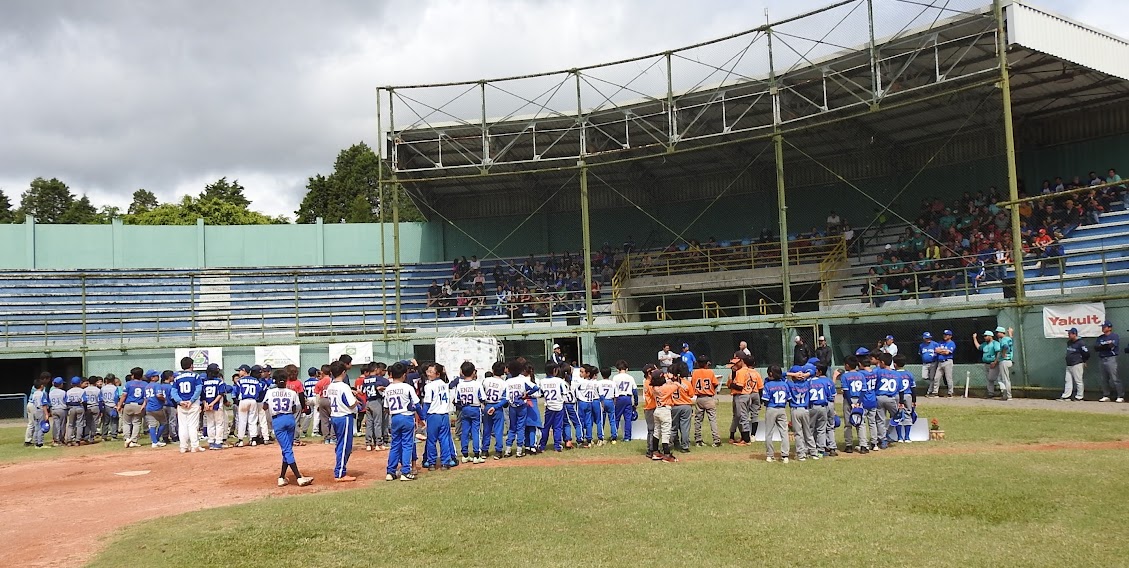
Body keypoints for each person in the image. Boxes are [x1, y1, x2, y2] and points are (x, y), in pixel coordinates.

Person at [263, 369, 313, 487]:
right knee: (287, 449)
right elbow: (295, 409)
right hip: (290, 419)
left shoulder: (270, 392)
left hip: (278, 420)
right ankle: (281, 477)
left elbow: (265, 406)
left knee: (287, 450)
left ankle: (299, 477)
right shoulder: (292, 392)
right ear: (286, 380)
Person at [384, 361, 419, 481]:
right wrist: (422, 418)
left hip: (394, 417)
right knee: (407, 445)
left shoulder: (388, 389)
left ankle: (390, 471)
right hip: (407, 417)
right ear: (404, 375)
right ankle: (405, 471)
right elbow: (417, 404)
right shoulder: (407, 387)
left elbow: (386, 408)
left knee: (395, 445)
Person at [325, 360, 359, 481]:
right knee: (345, 446)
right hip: (344, 417)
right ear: (343, 372)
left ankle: (340, 469)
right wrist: (357, 401)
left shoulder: (330, 386)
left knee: (341, 444)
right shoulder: (344, 386)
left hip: (335, 416)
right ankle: (340, 473)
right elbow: (350, 404)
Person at [421, 362, 457, 471]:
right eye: (428, 371)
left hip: (433, 415)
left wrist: (423, 417)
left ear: (438, 374)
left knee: (431, 440)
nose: (428, 373)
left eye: (431, 372)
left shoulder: (429, 386)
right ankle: (445, 462)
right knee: (444, 439)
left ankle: (431, 462)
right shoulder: (444, 384)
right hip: (444, 415)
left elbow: (427, 403)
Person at [454, 362, 487, 463]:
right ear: (473, 372)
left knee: (465, 431)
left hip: (464, 408)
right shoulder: (477, 384)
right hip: (475, 408)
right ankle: (477, 455)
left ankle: (465, 454)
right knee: (476, 431)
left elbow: (457, 400)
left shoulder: (460, 385)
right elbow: (483, 398)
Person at [171, 357, 205, 454]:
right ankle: (194, 446)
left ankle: (183, 447)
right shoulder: (195, 376)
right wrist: (191, 400)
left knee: (182, 426)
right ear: (191, 365)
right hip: (192, 403)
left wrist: (180, 401)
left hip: (182, 404)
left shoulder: (177, 378)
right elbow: (198, 389)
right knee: (193, 425)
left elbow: (173, 391)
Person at [837, 355, 869, 454]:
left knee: (848, 424)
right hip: (859, 400)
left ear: (847, 365)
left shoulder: (845, 376)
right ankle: (863, 445)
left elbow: (846, 391)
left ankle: (849, 445)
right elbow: (863, 390)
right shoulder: (861, 375)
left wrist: (851, 403)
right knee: (861, 423)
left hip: (849, 400)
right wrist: (859, 402)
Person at [787, 364, 816, 460]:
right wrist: (805, 374)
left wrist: (793, 374)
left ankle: (801, 454)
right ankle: (813, 453)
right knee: (808, 432)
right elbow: (813, 372)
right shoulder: (807, 383)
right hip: (805, 409)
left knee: (798, 433)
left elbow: (781, 375)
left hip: (795, 410)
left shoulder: (790, 384)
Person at [761, 365, 790, 463]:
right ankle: (785, 455)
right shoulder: (785, 384)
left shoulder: (768, 385)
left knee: (769, 433)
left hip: (771, 408)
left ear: (770, 374)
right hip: (782, 409)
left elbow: (765, 400)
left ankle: (770, 455)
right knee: (784, 432)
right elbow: (788, 398)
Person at [536, 363, 567, 453]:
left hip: (549, 406)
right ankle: (557, 446)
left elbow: (540, 393)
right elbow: (564, 393)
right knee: (557, 427)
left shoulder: (542, 381)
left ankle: (542, 446)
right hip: (559, 406)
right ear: (554, 370)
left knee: (546, 426)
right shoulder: (559, 381)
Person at [649, 368, 677, 462]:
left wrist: (667, 380)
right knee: (666, 433)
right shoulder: (665, 388)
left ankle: (655, 452)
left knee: (657, 431)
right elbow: (676, 386)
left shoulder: (654, 388)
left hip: (657, 410)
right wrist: (672, 379)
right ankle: (667, 455)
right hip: (665, 410)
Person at [690, 357, 720, 447]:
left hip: (699, 398)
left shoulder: (695, 373)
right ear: (706, 364)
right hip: (709, 398)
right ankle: (716, 440)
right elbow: (715, 384)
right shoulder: (710, 372)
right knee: (712, 420)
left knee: (698, 420)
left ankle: (698, 440)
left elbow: (692, 384)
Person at [481, 362, 508, 459]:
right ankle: (498, 451)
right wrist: (496, 407)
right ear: (503, 371)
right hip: (497, 407)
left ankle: (484, 450)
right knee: (498, 430)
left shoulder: (486, 380)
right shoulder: (504, 383)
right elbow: (505, 399)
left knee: (487, 429)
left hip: (487, 405)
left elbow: (482, 394)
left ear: (492, 370)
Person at [809, 363, 836, 456]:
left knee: (813, 428)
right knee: (829, 427)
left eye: (816, 369)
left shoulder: (812, 381)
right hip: (828, 403)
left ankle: (812, 448)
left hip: (816, 404)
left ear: (819, 371)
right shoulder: (829, 381)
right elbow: (832, 395)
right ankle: (831, 447)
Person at [117, 368, 148, 448]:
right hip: (139, 405)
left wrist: (119, 405)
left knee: (126, 422)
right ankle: (133, 440)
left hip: (128, 405)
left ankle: (127, 438)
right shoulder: (145, 384)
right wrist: (143, 406)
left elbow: (124, 395)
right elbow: (146, 398)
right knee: (136, 423)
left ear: (133, 375)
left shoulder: (128, 384)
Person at [201, 364, 228, 450]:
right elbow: (220, 394)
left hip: (207, 405)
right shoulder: (219, 381)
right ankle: (218, 442)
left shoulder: (204, 382)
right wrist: (213, 403)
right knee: (219, 424)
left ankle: (211, 441)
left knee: (210, 423)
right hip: (216, 405)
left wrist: (205, 404)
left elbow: (203, 396)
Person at [669, 361, 694, 453]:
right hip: (686, 406)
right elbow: (691, 395)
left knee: (673, 427)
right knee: (685, 427)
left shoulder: (670, 383)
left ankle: (667, 444)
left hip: (674, 406)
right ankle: (685, 446)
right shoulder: (686, 383)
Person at [1097, 321, 1125, 402]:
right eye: (1102, 327)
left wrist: (1103, 346)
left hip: (1111, 358)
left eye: (1104, 327)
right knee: (1104, 378)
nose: (1103, 328)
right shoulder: (1100, 337)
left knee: (1115, 378)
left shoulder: (1114, 336)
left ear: (1109, 328)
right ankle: (1106, 395)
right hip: (1102, 358)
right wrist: (1105, 346)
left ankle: (1120, 396)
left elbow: (1112, 346)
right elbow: (1096, 348)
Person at [572, 365, 598, 449]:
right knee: (588, 422)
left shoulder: (581, 381)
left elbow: (573, 388)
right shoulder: (592, 382)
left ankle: (580, 439)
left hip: (581, 402)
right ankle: (589, 439)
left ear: (587, 373)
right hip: (589, 402)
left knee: (580, 422)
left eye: (582, 372)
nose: (580, 373)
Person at [611, 360, 637, 444]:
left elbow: (613, 390)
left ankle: (614, 435)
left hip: (619, 398)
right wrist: (635, 402)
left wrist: (613, 400)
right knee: (628, 419)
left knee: (616, 417)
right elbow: (635, 391)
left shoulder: (615, 377)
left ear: (618, 369)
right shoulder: (630, 377)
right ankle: (627, 437)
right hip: (628, 398)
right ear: (627, 369)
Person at [235, 369, 262, 447]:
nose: (239, 372)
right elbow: (259, 390)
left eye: (240, 370)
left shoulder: (240, 381)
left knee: (242, 421)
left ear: (244, 371)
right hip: (253, 401)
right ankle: (253, 440)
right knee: (253, 421)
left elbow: (237, 391)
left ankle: (240, 440)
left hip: (243, 401)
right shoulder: (256, 381)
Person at [1061, 327, 1089, 401]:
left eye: (1070, 334)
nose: (1068, 335)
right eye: (1068, 333)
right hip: (1069, 364)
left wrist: (1084, 360)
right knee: (1068, 380)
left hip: (1077, 364)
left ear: (1074, 334)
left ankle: (1079, 397)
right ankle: (1066, 396)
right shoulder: (1069, 342)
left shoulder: (1080, 343)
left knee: (1078, 381)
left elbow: (1086, 353)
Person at [142, 371, 168, 448]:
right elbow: (158, 395)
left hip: (149, 408)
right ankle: (156, 439)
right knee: (163, 422)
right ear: (152, 378)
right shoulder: (157, 385)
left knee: (152, 425)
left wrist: (143, 406)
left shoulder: (147, 386)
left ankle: (154, 442)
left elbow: (145, 399)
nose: (158, 377)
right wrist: (164, 399)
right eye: (156, 375)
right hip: (157, 407)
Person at [893, 355, 916, 443]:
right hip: (908, 395)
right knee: (908, 414)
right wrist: (914, 400)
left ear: (894, 364)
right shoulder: (909, 374)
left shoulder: (894, 374)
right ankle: (907, 437)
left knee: (897, 415)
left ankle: (899, 437)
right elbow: (913, 388)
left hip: (897, 395)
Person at [972, 331, 1001, 398]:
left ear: (990, 336)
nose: (984, 337)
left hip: (993, 363)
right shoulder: (984, 344)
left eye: (986, 336)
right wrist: (974, 338)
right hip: (986, 363)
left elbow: (998, 353)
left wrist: (995, 362)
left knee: (992, 378)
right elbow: (978, 347)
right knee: (989, 379)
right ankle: (990, 393)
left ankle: (1001, 391)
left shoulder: (995, 343)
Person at [594, 366, 616, 444]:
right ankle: (614, 437)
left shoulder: (598, 383)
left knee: (601, 420)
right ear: (610, 374)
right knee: (612, 420)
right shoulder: (613, 383)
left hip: (601, 401)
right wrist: (614, 403)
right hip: (610, 400)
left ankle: (601, 437)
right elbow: (615, 395)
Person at [932, 330, 956, 397]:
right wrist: (943, 351)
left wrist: (941, 351)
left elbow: (947, 352)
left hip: (947, 361)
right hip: (940, 362)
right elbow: (936, 350)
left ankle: (950, 392)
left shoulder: (952, 343)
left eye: (947, 335)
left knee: (948, 378)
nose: (945, 336)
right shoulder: (940, 343)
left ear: (950, 336)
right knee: (936, 378)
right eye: (944, 334)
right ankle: (935, 392)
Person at [995, 326, 1015, 401]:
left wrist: (1003, 353)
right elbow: (1011, 339)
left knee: (1005, 379)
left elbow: (1005, 346)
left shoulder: (1003, 339)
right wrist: (1010, 333)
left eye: (997, 332)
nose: (997, 334)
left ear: (1001, 333)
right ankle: (1005, 395)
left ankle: (1008, 396)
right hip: (1008, 360)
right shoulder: (1008, 338)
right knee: (1001, 378)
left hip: (1004, 360)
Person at [29, 376, 49, 449]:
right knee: (41, 427)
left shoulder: (34, 394)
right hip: (40, 410)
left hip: (34, 410)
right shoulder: (42, 393)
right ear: (41, 386)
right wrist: (46, 414)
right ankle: (40, 443)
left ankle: (36, 442)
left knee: (36, 427)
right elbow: (44, 404)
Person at [99, 374, 120, 442]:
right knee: (114, 421)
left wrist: (101, 408)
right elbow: (116, 397)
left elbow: (101, 398)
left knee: (105, 422)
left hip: (105, 406)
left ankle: (104, 436)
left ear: (106, 380)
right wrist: (117, 405)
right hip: (113, 406)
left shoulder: (103, 388)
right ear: (114, 380)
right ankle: (113, 436)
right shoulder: (115, 388)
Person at [48, 377, 67, 447]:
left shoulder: (51, 392)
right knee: (62, 425)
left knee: (56, 425)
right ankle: (61, 439)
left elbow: (49, 403)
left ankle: (56, 439)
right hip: (62, 409)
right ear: (61, 384)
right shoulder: (63, 392)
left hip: (54, 409)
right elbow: (66, 401)